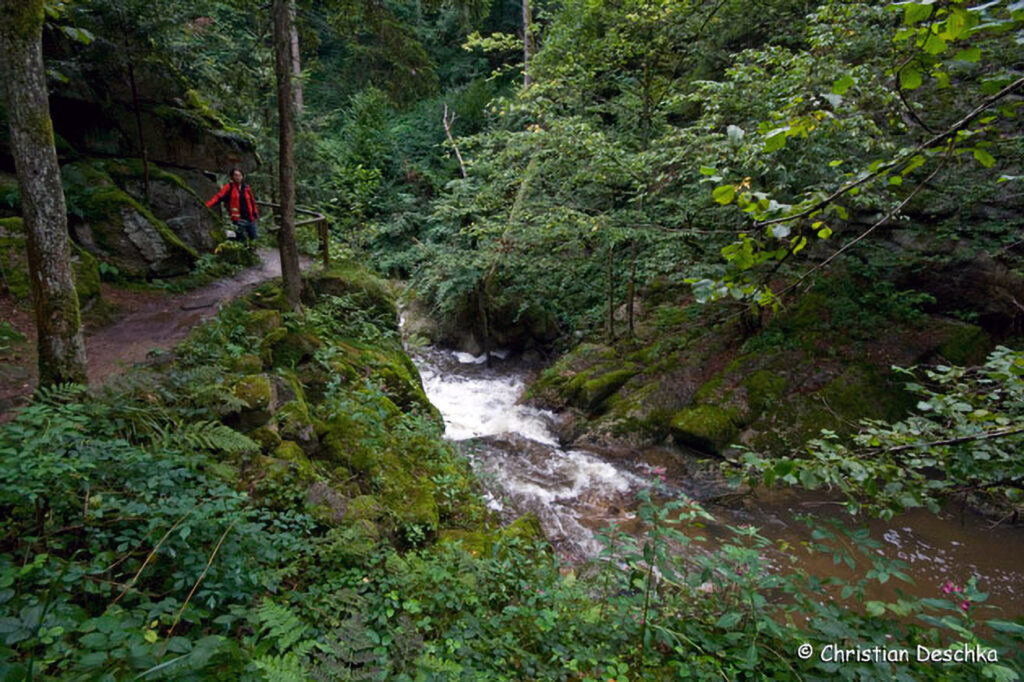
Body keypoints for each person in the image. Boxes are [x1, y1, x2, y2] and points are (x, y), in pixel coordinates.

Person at [206, 168, 260, 245]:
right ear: (232, 177)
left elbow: (252, 201)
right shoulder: (229, 187)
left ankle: (252, 253)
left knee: (254, 238)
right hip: (238, 218)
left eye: (240, 175)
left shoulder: (246, 187)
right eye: (236, 175)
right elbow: (218, 197)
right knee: (241, 240)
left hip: (249, 217)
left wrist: (255, 212)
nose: (238, 177)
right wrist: (207, 205)